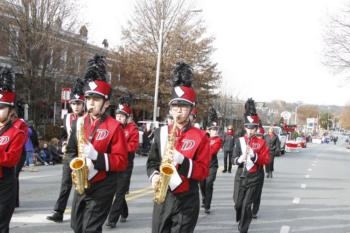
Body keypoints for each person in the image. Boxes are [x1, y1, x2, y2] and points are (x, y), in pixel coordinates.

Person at [66, 55, 128, 233]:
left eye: (96, 99)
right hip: (82, 183)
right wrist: (73, 163)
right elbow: (71, 151)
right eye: (88, 98)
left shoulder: (114, 127)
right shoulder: (79, 122)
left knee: (90, 229)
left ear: (106, 103)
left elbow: (122, 161)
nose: (90, 103)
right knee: (77, 227)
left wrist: (96, 156)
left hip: (103, 184)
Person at [147, 62, 210, 233]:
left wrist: (182, 161)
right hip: (163, 199)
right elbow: (152, 162)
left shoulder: (201, 137)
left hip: (186, 201)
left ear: (191, 109)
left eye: (183, 107)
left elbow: (203, 172)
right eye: (175, 106)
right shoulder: (160, 133)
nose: (178, 111)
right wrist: (153, 177)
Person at [47, 78, 86, 223]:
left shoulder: (87, 118)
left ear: (83, 104)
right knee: (65, 184)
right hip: (69, 154)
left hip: (83, 154)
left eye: (79, 104)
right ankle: (58, 212)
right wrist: (63, 143)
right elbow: (64, 135)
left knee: (81, 185)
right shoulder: (67, 117)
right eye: (74, 104)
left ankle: (80, 213)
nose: (76, 107)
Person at [232, 98, 270, 233]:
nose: (250, 130)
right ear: (245, 127)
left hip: (255, 176)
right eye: (248, 127)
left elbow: (266, 159)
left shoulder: (262, 142)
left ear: (256, 128)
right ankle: (240, 218)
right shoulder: (239, 141)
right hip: (241, 175)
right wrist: (239, 159)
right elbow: (233, 160)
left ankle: (243, 228)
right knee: (238, 204)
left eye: (253, 127)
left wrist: (254, 156)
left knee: (247, 205)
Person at [106, 95, 139, 228]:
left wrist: (121, 146)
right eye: (117, 116)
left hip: (126, 164)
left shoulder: (133, 129)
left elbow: (133, 146)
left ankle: (112, 219)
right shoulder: (112, 127)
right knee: (115, 190)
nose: (118, 118)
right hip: (114, 162)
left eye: (121, 116)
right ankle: (124, 212)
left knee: (120, 191)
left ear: (127, 117)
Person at [0, 66, 26, 233]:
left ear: (10, 110)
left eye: (1, 107)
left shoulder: (17, 131)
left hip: (4, 182)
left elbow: (11, 159)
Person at [200, 107, 222, 214]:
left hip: (212, 165)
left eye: (216, 129)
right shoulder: (203, 137)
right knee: (202, 184)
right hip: (202, 165)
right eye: (213, 129)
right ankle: (204, 198)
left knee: (209, 183)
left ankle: (207, 205)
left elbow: (212, 151)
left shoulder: (218, 140)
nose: (215, 131)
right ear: (208, 129)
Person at [251, 123, 265, 218]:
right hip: (249, 171)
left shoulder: (264, 144)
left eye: (260, 136)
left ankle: (254, 211)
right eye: (257, 135)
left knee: (257, 192)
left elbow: (265, 159)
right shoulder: (251, 142)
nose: (259, 137)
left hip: (259, 170)